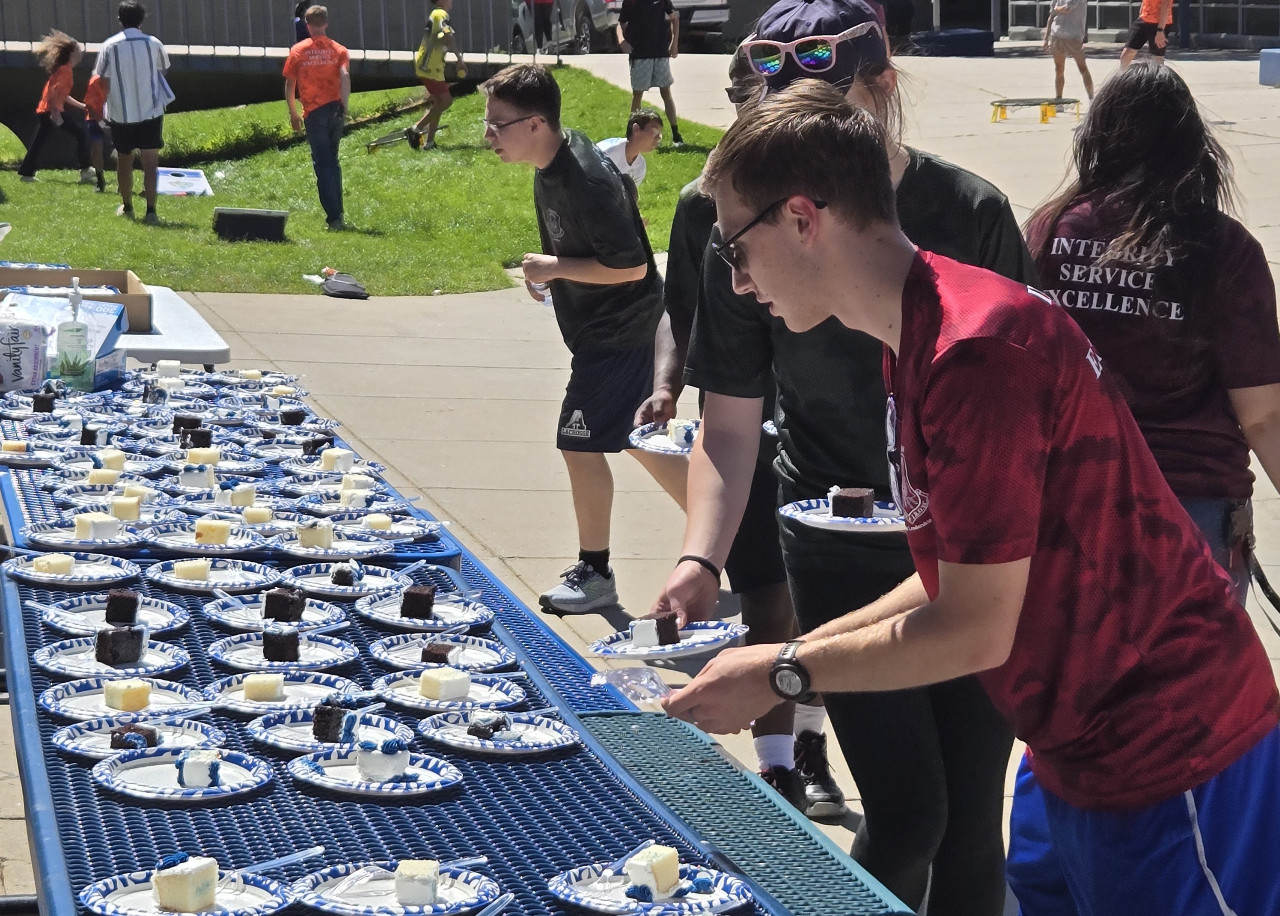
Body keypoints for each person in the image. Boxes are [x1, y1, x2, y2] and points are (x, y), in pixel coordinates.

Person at [663, 79, 1280, 916]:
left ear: (803, 219)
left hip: (1172, 756)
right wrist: (787, 665)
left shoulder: (974, 353)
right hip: (1077, 747)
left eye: (736, 249)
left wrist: (785, 670)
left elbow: (975, 629)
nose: (736, 283)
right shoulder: (917, 332)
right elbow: (961, 573)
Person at [649, 0, 1032, 910]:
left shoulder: (969, 235)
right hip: (837, 545)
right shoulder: (745, 224)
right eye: (778, 102)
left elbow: (980, 590)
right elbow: (731, 423)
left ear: (883, 89)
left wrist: (783, 671)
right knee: (909, 817)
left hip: (973, 546)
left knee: (972, 825)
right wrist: (703, 555)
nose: (799, 134)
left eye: (827, 103)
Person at [638, 49, 845, 818]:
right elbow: (679, 308)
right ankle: (779, 763)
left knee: (820, 609)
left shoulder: (834, 200)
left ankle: (815, 747)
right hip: (750, 427)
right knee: (767, 598)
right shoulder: (702, 203)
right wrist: (665, 383)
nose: (753, 99)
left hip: (828, 440)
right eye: (743, 90)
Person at [1027, 62, 1280, 603]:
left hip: (1068, 499)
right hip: (1192, 510)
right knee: (1193, 683)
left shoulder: (1049, 231)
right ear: (1193, 143)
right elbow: (1261, 414)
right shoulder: (1226, 248)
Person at [482, 64, 689, 613]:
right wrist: (554, 276)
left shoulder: (587, 179)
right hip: (608, 331)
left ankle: (597, 574)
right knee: (634, 440)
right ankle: (737, 531)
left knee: (580, 442)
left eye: (497, 124)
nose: (488, 135)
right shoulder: (552, 159)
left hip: (622, 331)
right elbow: (585, 251)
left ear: (534, 123)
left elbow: (632, 270)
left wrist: (553, 267)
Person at [92, 1, 171, 223]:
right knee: (150, 162)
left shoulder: (109, 45)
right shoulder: (154, 43)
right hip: (150, 109)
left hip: (121, 111)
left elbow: (102, 77)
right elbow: (163, 68)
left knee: (124, 160)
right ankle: (151, 211)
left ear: (119, 20)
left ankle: (127, 206)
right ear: (142, 19)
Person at [284, 5, 350, 231]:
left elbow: (290, 85)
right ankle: (338, 212)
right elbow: (345, 76)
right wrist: (345, 105)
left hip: (314, 113)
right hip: (335, 110)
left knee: (322, 164)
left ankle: (334, 218)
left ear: (307, 25)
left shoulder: (298, 51)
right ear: (326, 23)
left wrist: (293, 113)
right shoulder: (339, 50)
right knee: (333, 161)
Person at [17, 30, 93, 186]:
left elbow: (62, 94)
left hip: (48, 110)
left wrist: (82, 106)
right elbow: (53, 92)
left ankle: (26, 172)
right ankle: (85, 170)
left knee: (40, 142)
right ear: (72, 54)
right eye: (79, 51)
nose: (81, 54)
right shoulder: (65, 71)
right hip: (50, 111)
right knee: (81, 134)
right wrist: (55, 112)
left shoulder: (64, 69)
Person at [617, 0, 684, 146]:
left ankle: (676, 133)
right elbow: (620, 23)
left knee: (666, 92)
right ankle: (631, 133)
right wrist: (622, 41)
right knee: (638, 94)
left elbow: (674, 18)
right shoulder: (630, 2)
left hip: (660, 52)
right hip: (640, 53)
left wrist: (674, 43)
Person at [410, 0, 467, 151]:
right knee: (447, 101)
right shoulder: (441, 14)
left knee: (438, 104)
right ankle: (416, 128)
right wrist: (459, 60)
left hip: (430, 65)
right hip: (430, 67)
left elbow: (441, 38)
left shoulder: (436, 14)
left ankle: (429, 143)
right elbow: (448, 37)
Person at [596, 109, 662, 190]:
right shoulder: (606, 153)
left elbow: (631, 198)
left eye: (660, 133)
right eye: (655, 130)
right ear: (636, 129)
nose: (659, 137)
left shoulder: (640, 165)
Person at [1042, 0, 1093, 100]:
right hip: (1056, 34)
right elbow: (1051, 16)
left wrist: (1056, 9)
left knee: (1082, 67)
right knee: (1059, 69)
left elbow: (1067, 8)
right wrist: (1046, 38)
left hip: (1073, 36)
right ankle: (1059, 98)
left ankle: (1092, 99)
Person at [1120, 0, 1172, 68]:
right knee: (1126, 54)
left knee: (1157, 59)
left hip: (1159, 23)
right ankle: (1123, 76)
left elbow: (1166, 5)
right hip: (1144, 19)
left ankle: (1158, 78)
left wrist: (1160, 30)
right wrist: (1140, 15)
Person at [84, 73, 110, 193]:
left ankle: (123, 185)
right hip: (95, 118)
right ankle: (100, 180)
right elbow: (89, 104)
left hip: (117, 117)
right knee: (97, 148)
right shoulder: (95, 81)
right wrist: (101, 123)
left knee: (123, 150)